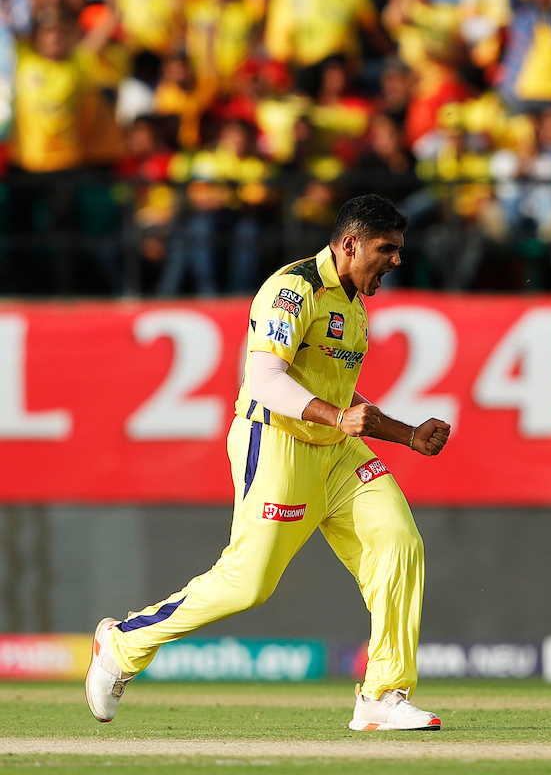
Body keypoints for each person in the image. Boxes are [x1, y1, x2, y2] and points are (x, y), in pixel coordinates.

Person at [86, 195, 452, 732]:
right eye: (386, 249)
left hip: (336, 451)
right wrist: (334, 417)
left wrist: (408, 435)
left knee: (398, 543)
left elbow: (341, 397)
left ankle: (382, 696)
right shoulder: (293, 288)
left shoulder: (354, 303)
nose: (397, 261)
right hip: (277, 441)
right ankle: (122, 643)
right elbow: (264, 380)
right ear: (350, 244)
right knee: (247, 582)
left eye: (399, 249)